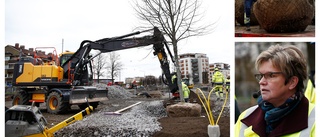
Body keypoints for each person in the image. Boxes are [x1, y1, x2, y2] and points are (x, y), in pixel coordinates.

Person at [235, 45, 315, 136]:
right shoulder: (245, 118)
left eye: (271, 75)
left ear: (292, 82)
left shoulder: (315, 119)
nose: (261, 82)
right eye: (261, 76)